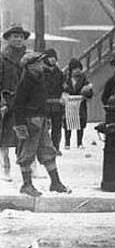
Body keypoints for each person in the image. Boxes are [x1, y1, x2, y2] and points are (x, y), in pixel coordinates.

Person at [11, 51, 70, 196]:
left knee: (48, 150)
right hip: (30, 123)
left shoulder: (40, 79)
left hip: (40, 121)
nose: (42, 65)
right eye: (38, 63)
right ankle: (26, 184)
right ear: (30, 66)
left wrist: (46, 118)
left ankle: (55, 182)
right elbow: (18, 105)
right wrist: (20, 125)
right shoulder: (25, 83)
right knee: (27, 153)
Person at [0, 24, 30, 182]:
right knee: (5, 136)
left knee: (26, 134)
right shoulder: (3, 57)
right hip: (8, 101)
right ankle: (5, 168)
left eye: (20, 36)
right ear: (8, 39)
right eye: (14, 36)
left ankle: (28, 168)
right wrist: (2, 100)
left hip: (25, 101)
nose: (18, 39)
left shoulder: (29, 57)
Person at [62, 58, 93, 149]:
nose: (77, 70)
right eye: (75, 69)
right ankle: (67, 142)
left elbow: (90, 92)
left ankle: (79, 142)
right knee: (68, 122)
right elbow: (63, 89)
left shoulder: (84, 80)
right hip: (69, 104)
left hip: (80, 104)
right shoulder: (66, 79)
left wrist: (86, 92)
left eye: (79, 68)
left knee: (80, 122)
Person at [43, 49, 65, 154]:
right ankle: (45, 147)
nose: (52, 60)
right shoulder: (41, 72)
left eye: (54, 57)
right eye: (50, 57)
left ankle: (55, 147)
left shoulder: (59, 73)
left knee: (57, 127)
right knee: (44, 127)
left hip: (57, 103)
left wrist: (64, 94)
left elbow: (64, 86)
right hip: (44, 103)